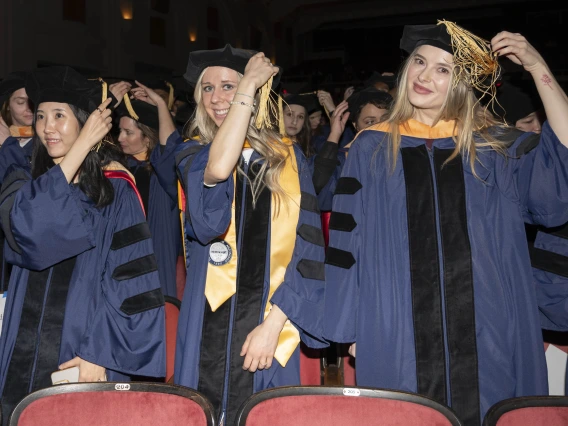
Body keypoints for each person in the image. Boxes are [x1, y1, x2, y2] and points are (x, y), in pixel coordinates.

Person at [323, 22, 568, 425]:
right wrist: (349, 329)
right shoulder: (372, 147)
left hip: (489, 322)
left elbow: (557, 187)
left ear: (460, 84)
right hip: (396, 321)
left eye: (443, 68)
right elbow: (349, 243)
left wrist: (537, 65)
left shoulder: (495, 148)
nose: (424, 75)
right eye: (419, 61)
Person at [145, 44, 327, 425]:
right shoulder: (192, 154)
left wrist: (273, 326)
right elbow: (214, 198)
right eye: (207, 89)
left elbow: (308, 249)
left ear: (255, 93)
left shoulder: (288, 159)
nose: (216, 97)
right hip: (207, 313)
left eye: (229, 86)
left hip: (274, 317)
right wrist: (246, 91)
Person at [0, 66, 166, 423]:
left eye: (60, 116)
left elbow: (132, 282)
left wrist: (101, 354)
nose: (47, 127)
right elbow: (29, 229)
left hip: (82, 346)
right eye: (42, 115)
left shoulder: (114, 189)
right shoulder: (27, 181)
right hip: (20, 343)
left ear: (84, 123)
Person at [117, 97, 183, 298]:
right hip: (120, 258)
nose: (120, 138)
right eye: (120, 131)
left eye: (128, 133)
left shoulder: (163, 174)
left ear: (147, 137)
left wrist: (161, 105)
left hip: (153, 258)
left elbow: (170, 149)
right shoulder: (117, 169)